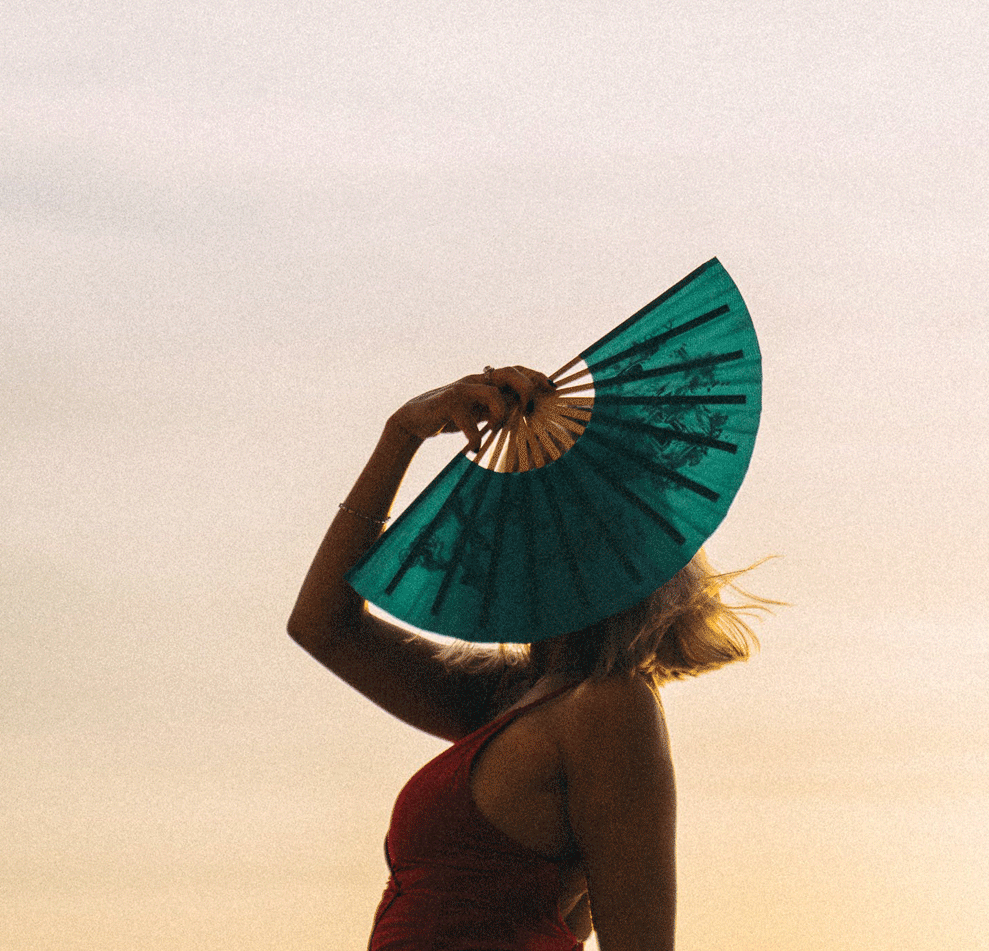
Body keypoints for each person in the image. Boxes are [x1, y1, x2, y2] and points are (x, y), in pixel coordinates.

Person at [289, 366, 770, 951]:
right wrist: (403, 433)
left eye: (551, 519)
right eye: (514, 513)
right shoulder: (513, 695)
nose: (516, 535)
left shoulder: (608, 707)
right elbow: (322, 626)